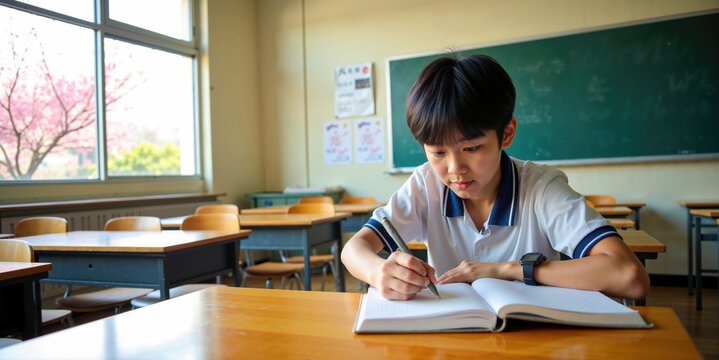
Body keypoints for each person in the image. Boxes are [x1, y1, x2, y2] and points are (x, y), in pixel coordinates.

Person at [341, 53, 649, 301]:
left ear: (507, 134)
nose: (454, 168)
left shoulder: (541, 189)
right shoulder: (426, 185)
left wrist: (507, 270)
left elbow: (629, 277)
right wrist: (378, 272)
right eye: (437, 152)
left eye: (471, 148)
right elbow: (353, 249)